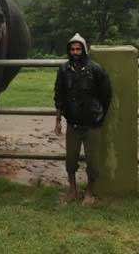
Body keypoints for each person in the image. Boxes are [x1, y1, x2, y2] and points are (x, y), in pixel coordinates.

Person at [53, 33, 112, 205]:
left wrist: (100, 116)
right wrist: (58, 119)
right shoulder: (63, 70)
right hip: (73, 124)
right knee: (70, 161)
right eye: (72, 49)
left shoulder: (96, 70)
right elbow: (59, 95)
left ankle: (90, 193)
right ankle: (72, 190)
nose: (75, 52)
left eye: (78, 49)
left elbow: (106, 95)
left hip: (92, 124)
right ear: (68, 51)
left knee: (92, 162)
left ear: (84, 50)